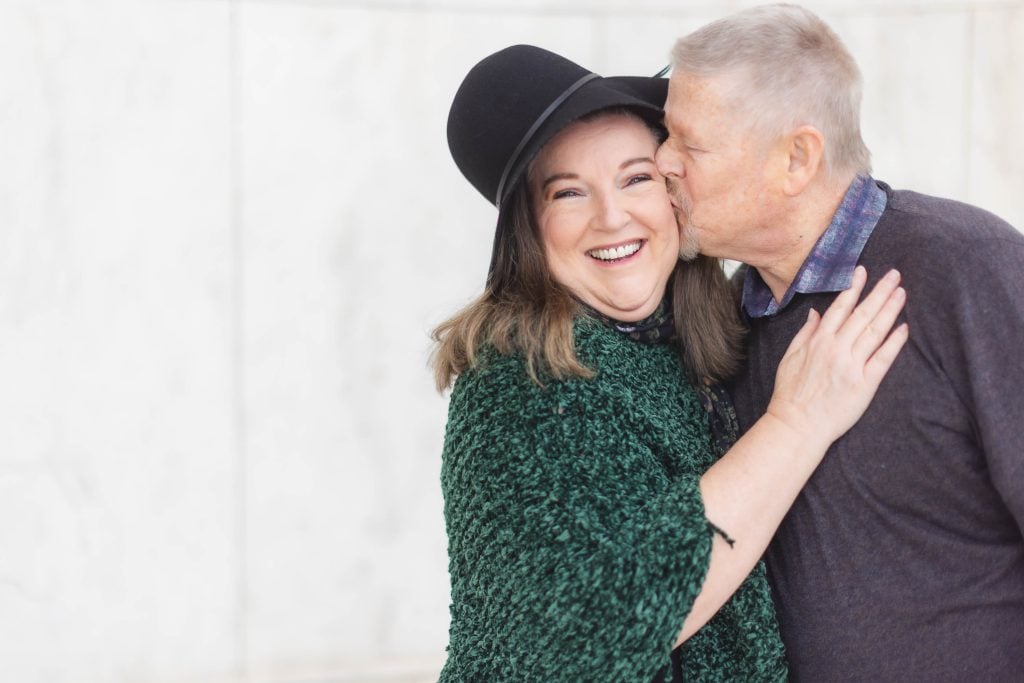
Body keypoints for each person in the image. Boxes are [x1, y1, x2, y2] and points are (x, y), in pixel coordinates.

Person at [435, 44, 907, 681]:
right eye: (568, 193)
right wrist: (795, 425)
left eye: (636, 178)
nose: (612, 217)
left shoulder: (698, 345)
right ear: (530, 230)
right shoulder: (516, 384)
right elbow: (594, 634)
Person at [654, 4, 1024, 680]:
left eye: (689, 144)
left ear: (796, 158)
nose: (661, 161)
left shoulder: (968, 268)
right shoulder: (733, 319)